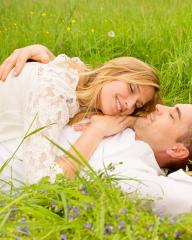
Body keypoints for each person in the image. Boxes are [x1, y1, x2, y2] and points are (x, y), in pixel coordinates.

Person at [1, 102, 192, 216]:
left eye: (172, 115)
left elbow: (190, 200)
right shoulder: (124, 115)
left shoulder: (133, 169)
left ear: (177, 150)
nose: (161, 107)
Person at [0, 45, 161, 183]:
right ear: (114, 72)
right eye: (132, 89)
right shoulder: (54, 88)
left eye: (137, 105)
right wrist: (97, 131)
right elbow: (40, 183)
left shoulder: (76, 81)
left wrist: (130, 121)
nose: (129, 104)